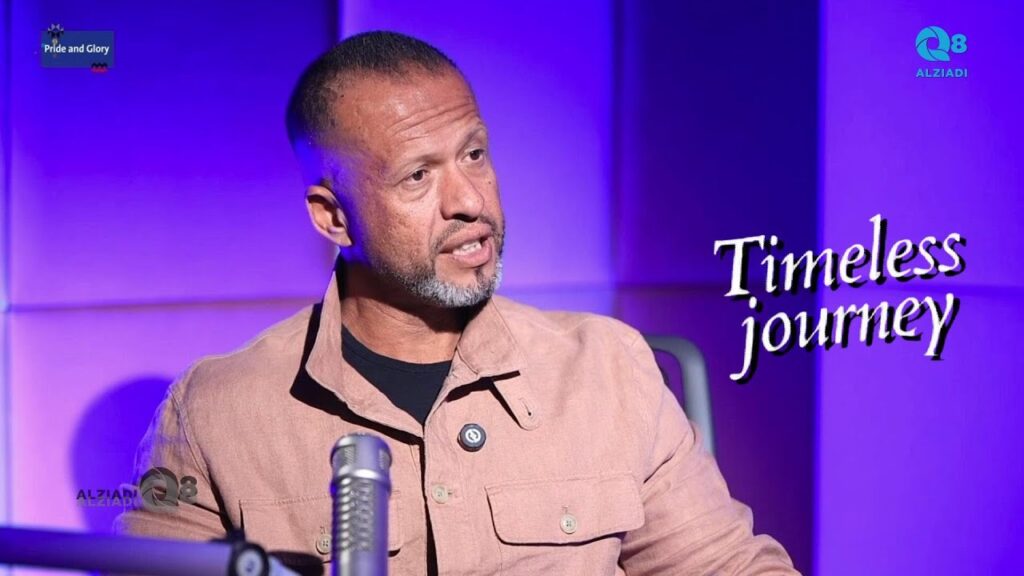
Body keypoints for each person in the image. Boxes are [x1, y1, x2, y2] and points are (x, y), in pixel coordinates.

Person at [115, 30, 797, 575]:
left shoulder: (610, 366)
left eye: (474, 155)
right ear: (333, 217)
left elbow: (727, 567)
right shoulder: (217, 410)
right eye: (418, 175)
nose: (471, 201)